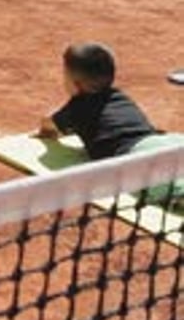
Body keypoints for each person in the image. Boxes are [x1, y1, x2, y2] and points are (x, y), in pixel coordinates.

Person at [38, 42, 184, 209]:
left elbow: (48, 125)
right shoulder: (119, 96)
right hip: (167, 141)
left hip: (138, 157)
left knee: (174, 187)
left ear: (76, 84)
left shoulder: (76, 108)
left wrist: (49, 128)